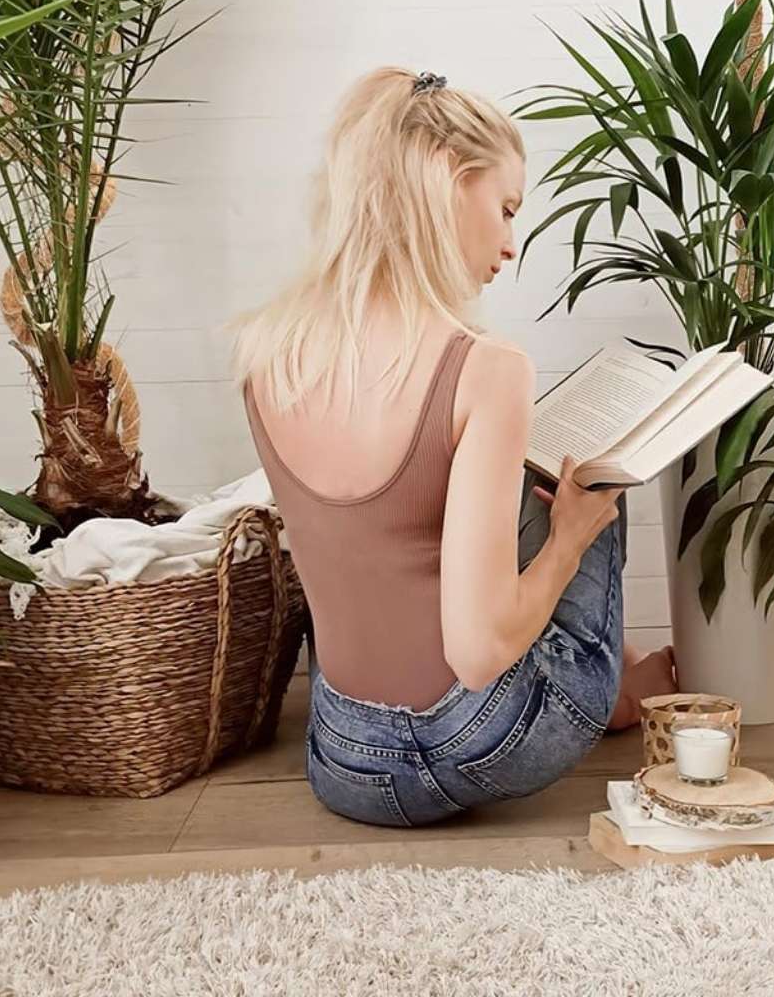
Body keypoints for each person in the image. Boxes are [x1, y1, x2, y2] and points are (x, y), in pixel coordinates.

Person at [226, 66, 676, 828]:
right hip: (478, 742)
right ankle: (618, 691)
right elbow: (476, 654)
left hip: (342, 757)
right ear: (447, 179)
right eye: (505, 209)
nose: (509, 245)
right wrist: (569, 540)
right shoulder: (484, 368)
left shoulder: (267, 355)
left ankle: (612, 658)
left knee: (504, 491)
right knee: (594, 479)